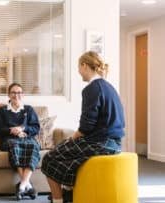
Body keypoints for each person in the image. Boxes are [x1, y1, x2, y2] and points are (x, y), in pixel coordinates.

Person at [41, 51, 125, 203]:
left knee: (48, 159)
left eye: (79, 67)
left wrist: (71, 139)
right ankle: (68, 194)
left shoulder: (92, 88)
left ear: (84, 65)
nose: (79, 72)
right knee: (68, 157)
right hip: (115, 144)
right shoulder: (109, 87)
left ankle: (58, 200)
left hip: (100, 143)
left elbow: (86, 126)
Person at [0, 83, 40, 201]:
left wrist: (23, 128)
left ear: (23, 94)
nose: (16, 95)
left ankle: (22, 185)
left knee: (33, 145)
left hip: (26, 138)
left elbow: (36, 128)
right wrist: (11, 130)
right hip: (10, 140)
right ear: (9, 95)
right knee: (14, 145)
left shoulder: (28, 109)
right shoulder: (2, 111)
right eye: (13, 92)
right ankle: (27, 185)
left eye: (19, 92)